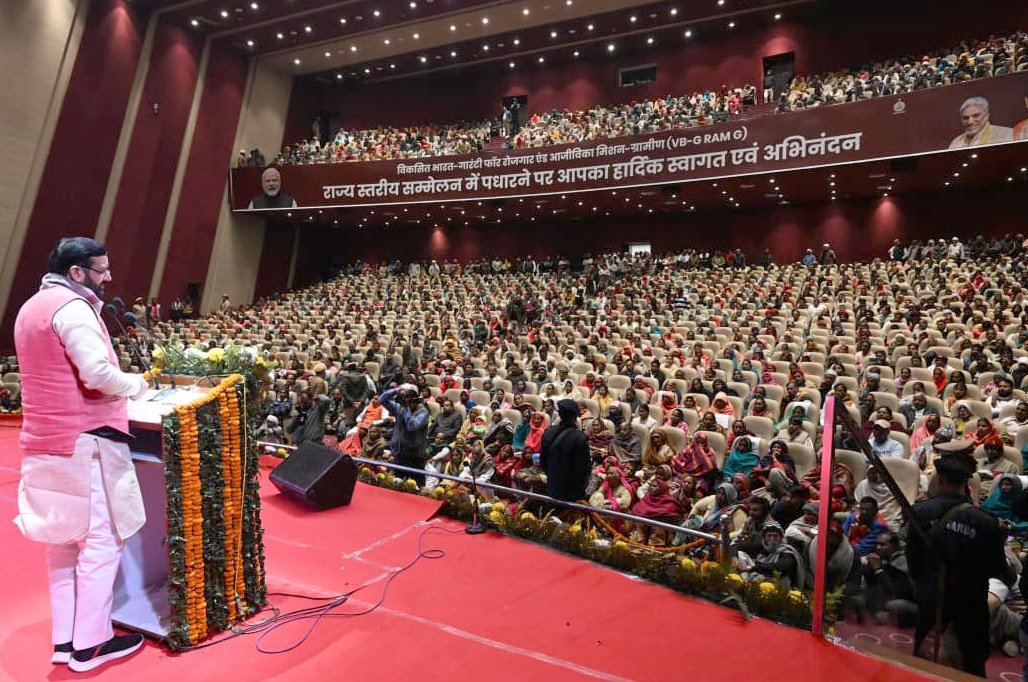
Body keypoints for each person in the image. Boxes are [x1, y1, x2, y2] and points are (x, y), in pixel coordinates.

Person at [13, 237, 149, 671]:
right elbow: (97, 374)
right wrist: (137, 384)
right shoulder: (73, 308)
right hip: (83, 444)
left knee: (61, 544)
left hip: (42, 443)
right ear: (76, 272)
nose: (108, 277)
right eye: (101, 269)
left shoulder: (30, 307)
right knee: (100, 543)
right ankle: (91, 645)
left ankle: (65, 640)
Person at [907, 453, 1009, 676]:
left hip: (932, 602)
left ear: (940, 480)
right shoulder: (986, 521)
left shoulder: (920, 512)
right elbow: (998, 569)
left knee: (922, 668)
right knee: (971, 667)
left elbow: (913, 563)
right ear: (966, 483)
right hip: (970, 606)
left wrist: (925, 587)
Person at [539, 399, 591, 502]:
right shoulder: (580, 438)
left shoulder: (548, 432)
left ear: (559, 414)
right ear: (575, 417)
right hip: (572, 493)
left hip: (552, 487)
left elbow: (543, 462)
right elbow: (584, 469)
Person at [380, 384, 430, 484]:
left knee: (415, 483)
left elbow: (411, 426)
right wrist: (396, 390)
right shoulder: (400, 408)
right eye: (406, 401)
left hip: (415, 454)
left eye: (410, 402)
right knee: (398, 481)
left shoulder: (423, 413)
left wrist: (406, 408)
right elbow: (382, 399)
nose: (408, 404)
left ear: (415, 401)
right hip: (400, 451)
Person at [947, 96, 1014, 149]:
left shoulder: (1008, 134)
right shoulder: (956, 142)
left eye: (976, 116)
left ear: (987, 115)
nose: (970, 122)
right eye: (965, 118)